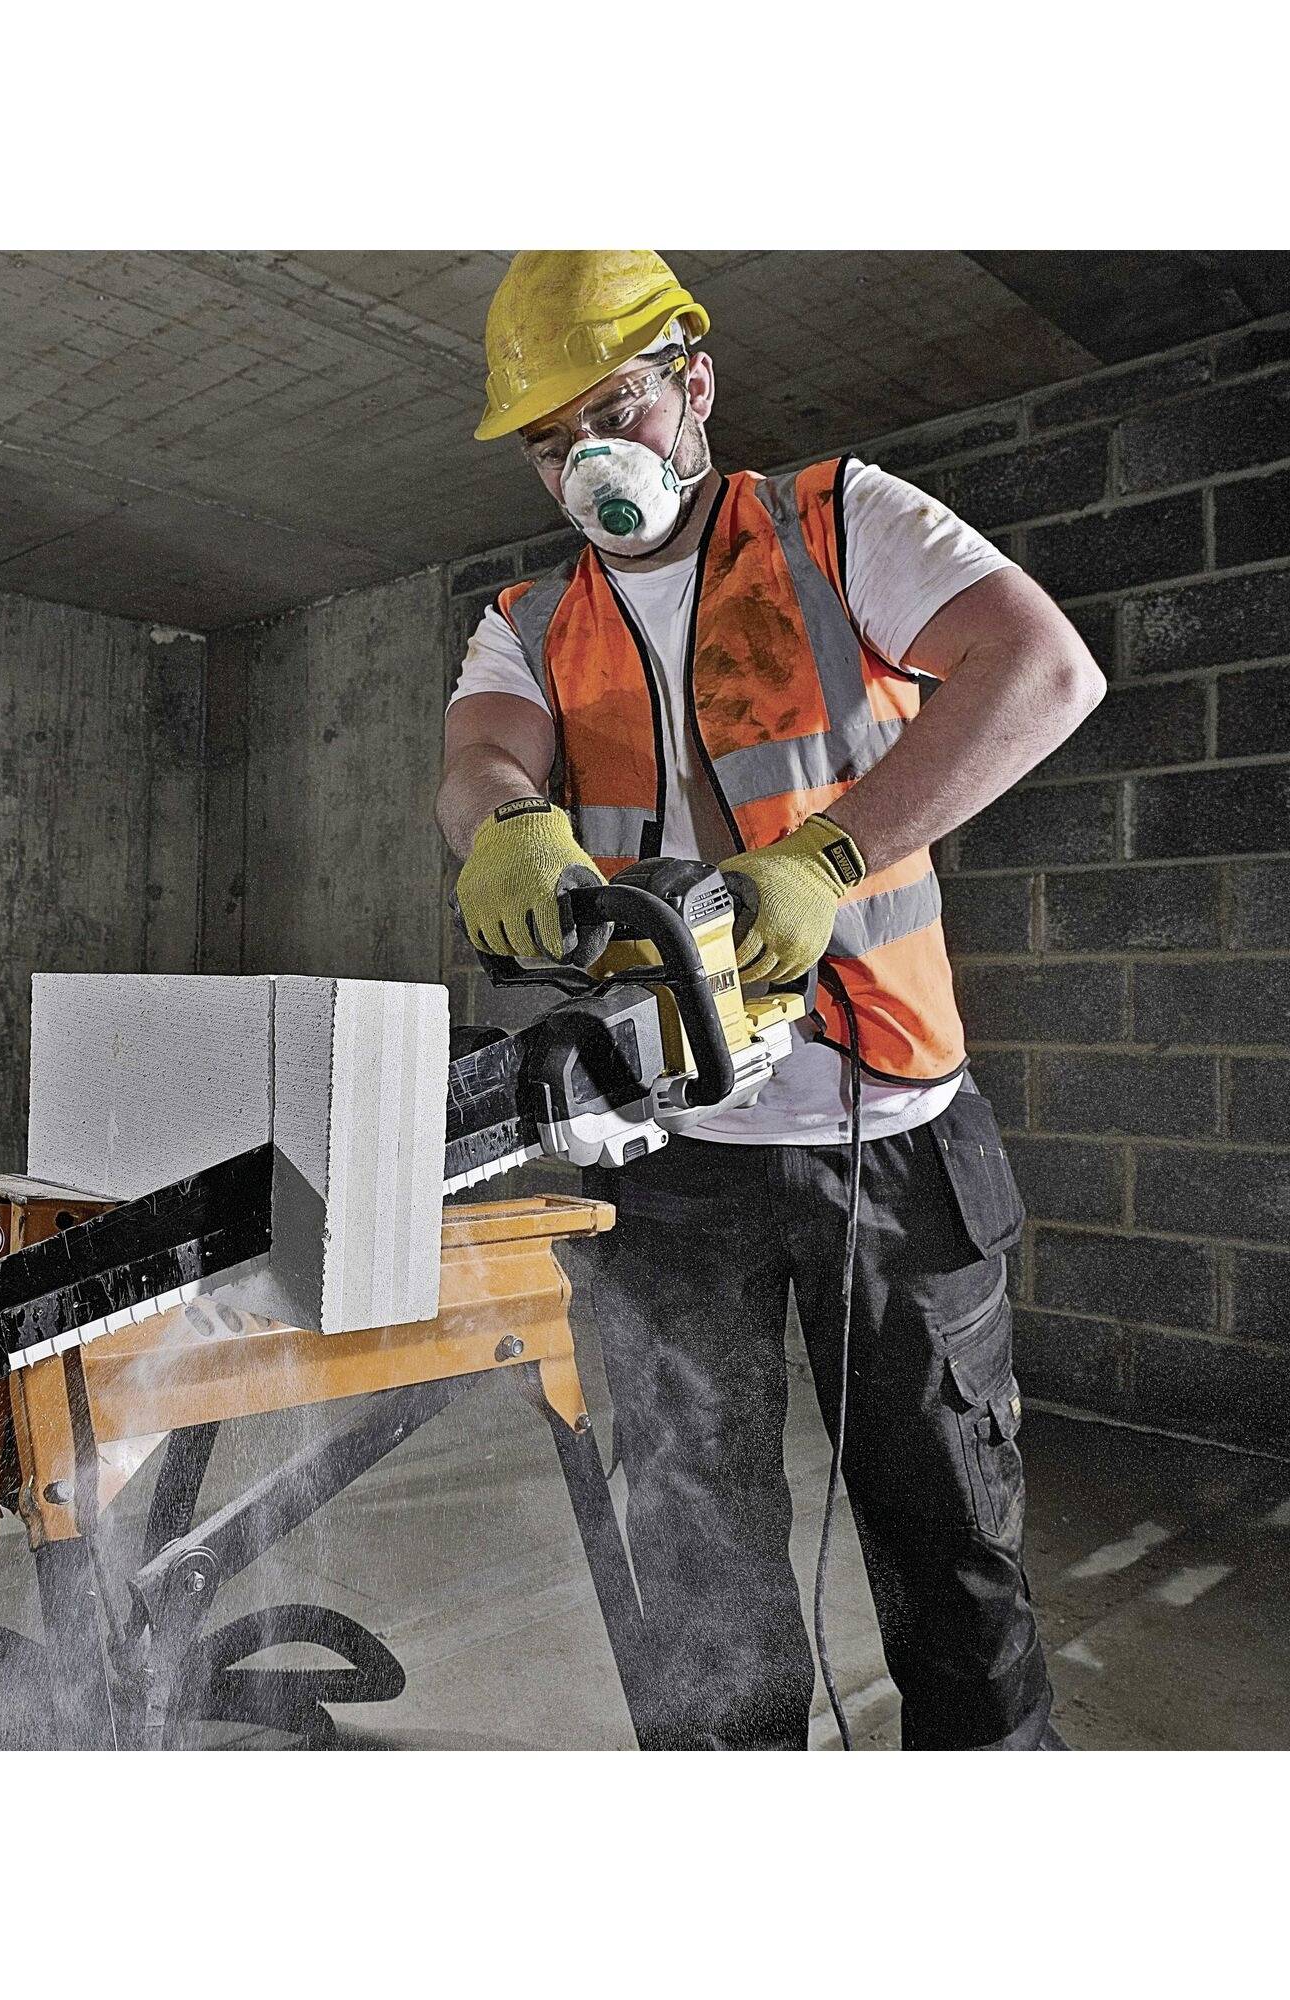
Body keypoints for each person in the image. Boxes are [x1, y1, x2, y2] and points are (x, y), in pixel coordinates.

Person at [440, 251, 1105, 1750]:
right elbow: (481, 749)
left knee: (952, 1555)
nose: (587, 462)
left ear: (697, 383)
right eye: (550, 441)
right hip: (669, 1159)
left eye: (613, 410)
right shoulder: (532, 619)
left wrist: (832, 851)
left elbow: (1043, 670)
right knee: (695, 1568)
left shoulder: (836, 524)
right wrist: (502, 816)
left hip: (891, 1131)